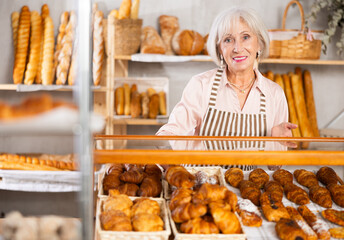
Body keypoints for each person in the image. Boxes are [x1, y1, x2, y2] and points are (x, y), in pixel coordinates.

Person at [157, 7, 297, 170]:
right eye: (228, 40)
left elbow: (275, 167)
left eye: (245, 37)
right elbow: (171, 133)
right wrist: (167, 152)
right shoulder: (201, 85)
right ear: (219, 49)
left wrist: (275, 140)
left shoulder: (274, 94)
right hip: (203, 187)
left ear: (259, 43)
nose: (237, 48)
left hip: (245, 190)